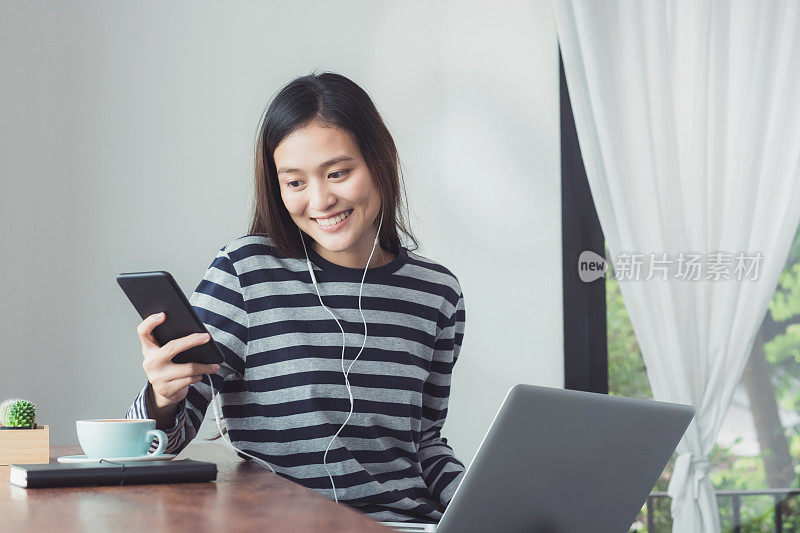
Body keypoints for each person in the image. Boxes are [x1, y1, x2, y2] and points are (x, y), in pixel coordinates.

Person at [125, 72, 466, 524]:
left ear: (380, 160)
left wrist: (492, 501)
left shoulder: (436, 293)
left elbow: (423, 443)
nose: (321, 200)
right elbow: (154, 446)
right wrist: (161, 397)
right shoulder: (245, 273)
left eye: (339, 173)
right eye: (295, 182)